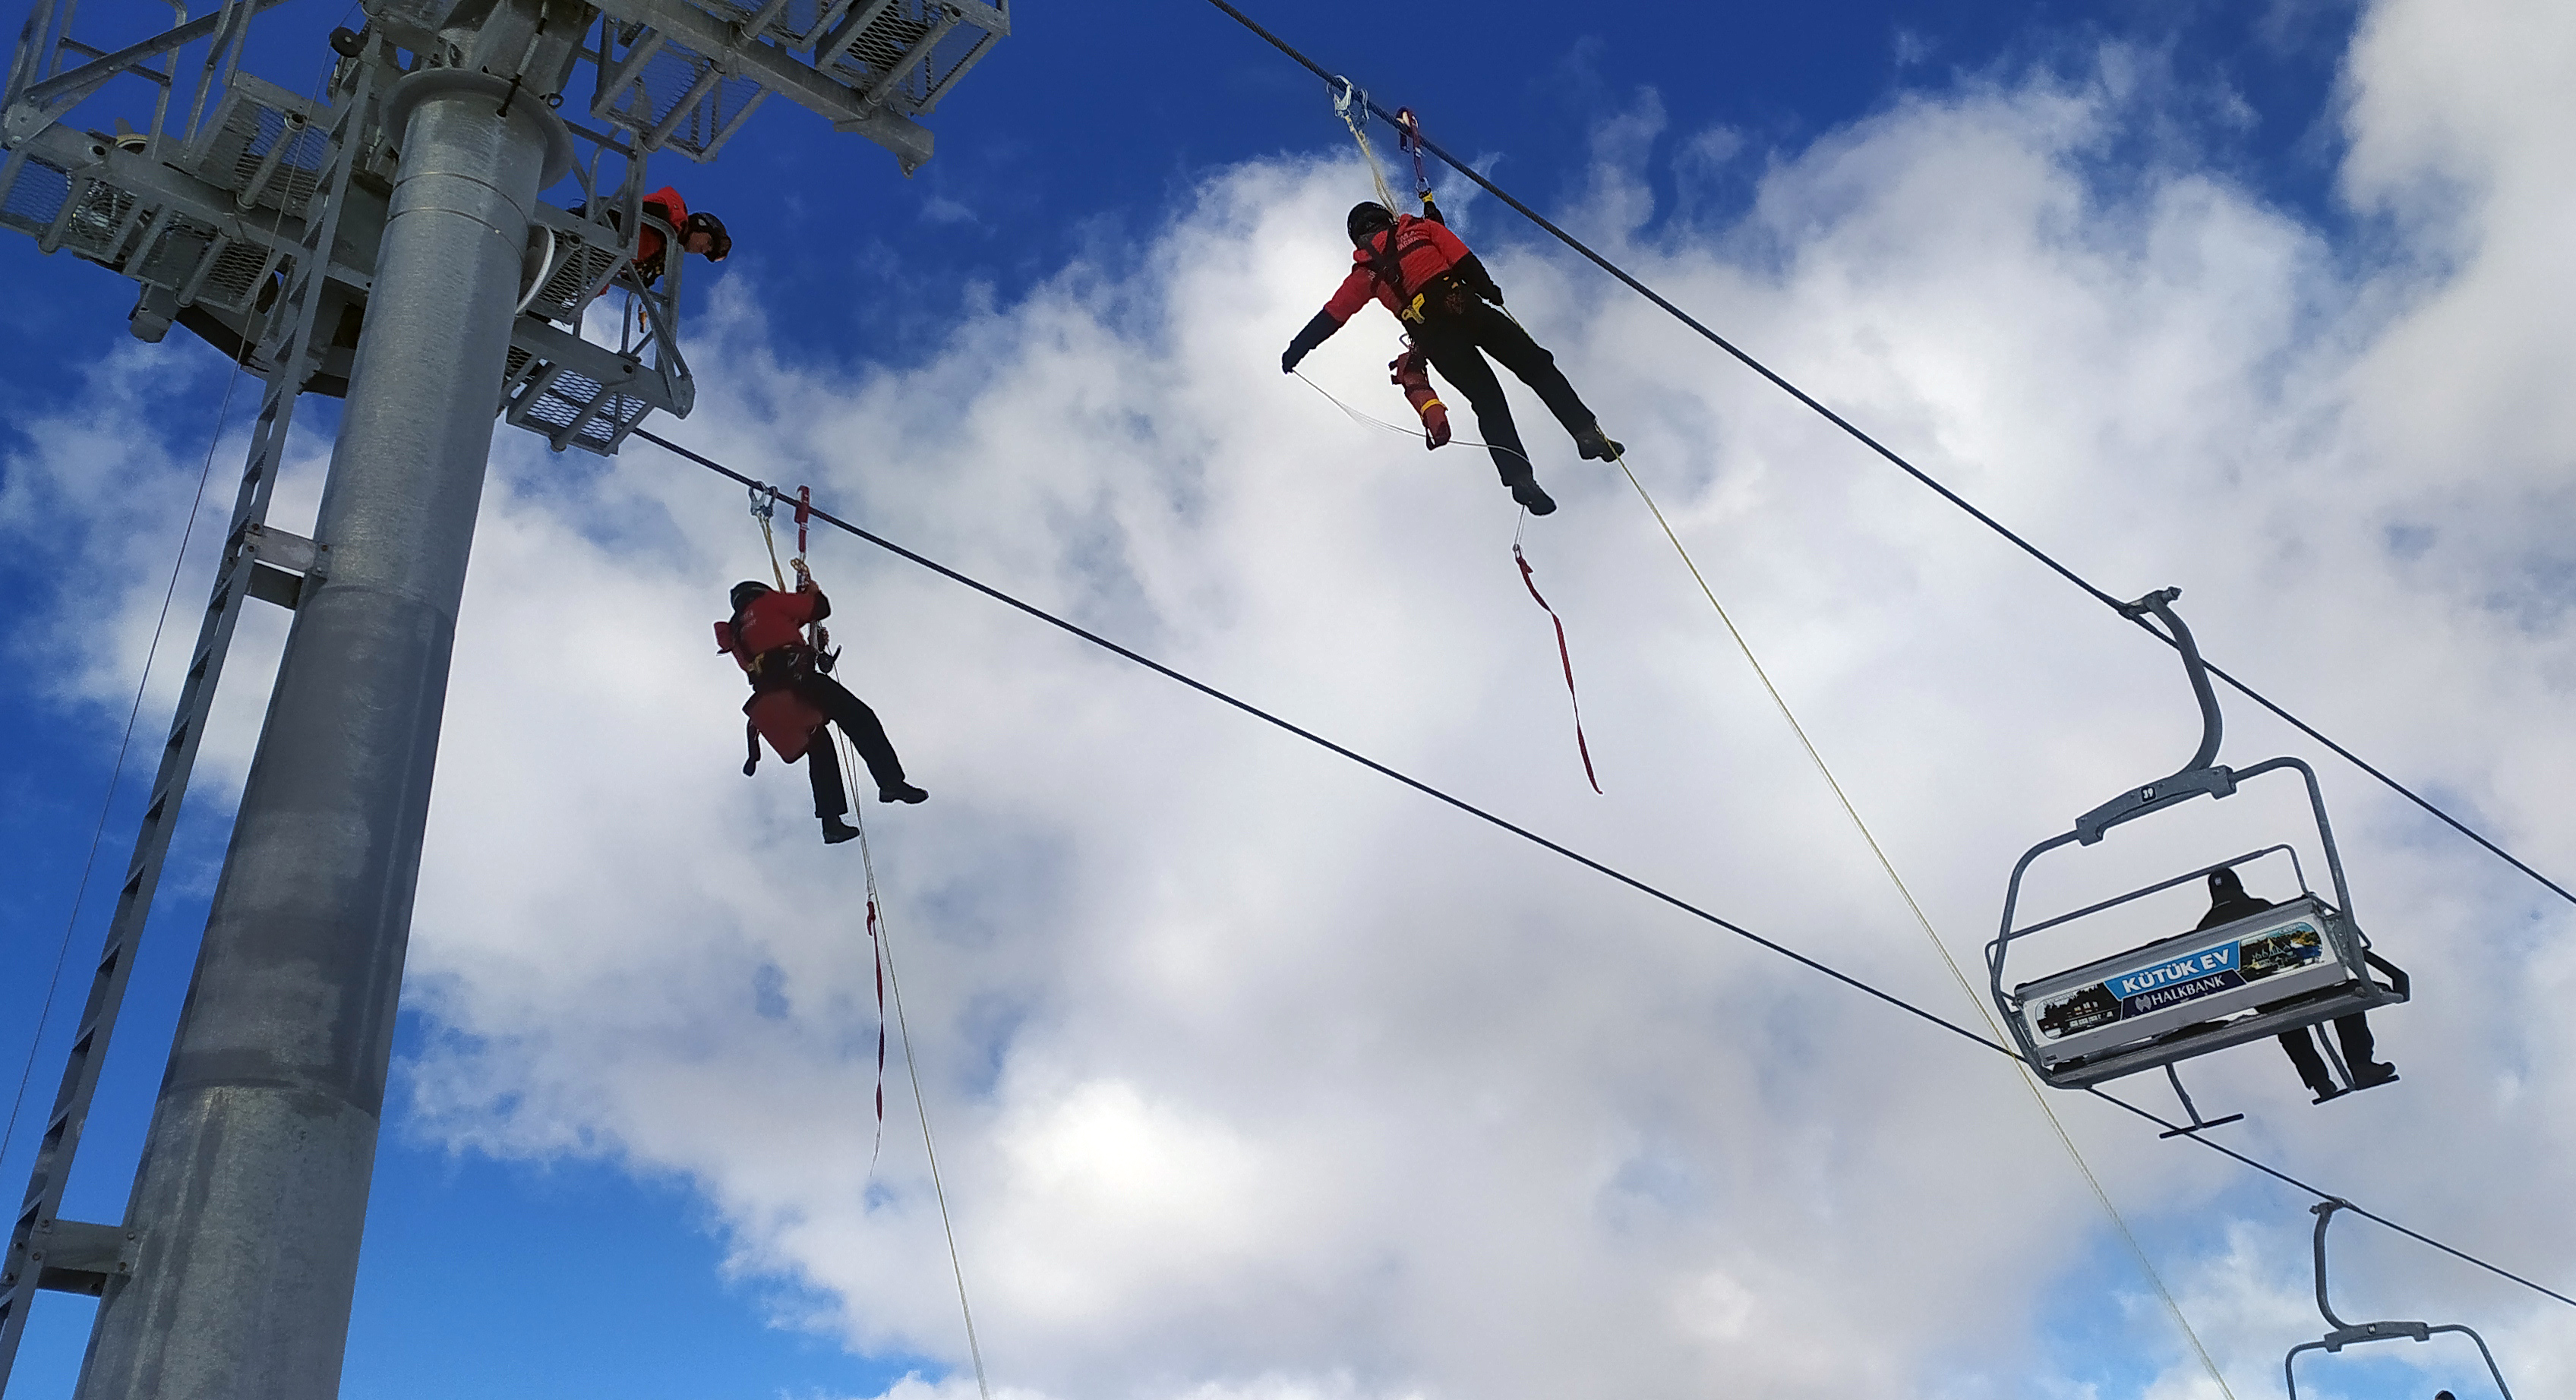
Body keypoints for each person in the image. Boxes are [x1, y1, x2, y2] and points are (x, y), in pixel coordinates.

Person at [1280, 198, 1622, 516]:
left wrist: (1296, 351)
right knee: (1537, 367)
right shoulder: (1422, 229)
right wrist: (1489, 290)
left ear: (1358, 238)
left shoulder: (1365, 273)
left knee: (1488, 401)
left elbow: (1331, 316)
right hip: (1466, 309)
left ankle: (1520, 478)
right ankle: (1586, 433)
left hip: (1435, 338)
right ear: (1386, 217)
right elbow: (1462, 259)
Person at [718, 575, 926, 846]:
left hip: (773, 697)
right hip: (800, 679)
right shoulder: (768, 603)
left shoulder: (737, 631)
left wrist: (808, 630)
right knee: (859, 718)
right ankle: (891, 782)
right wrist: (812, 593)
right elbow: (820, 608)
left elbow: (778, 631)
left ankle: (831, 823)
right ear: (760, 592)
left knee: (820, 751)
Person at [2199, 866, 2396, 1102]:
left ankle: (2319, 1081)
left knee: (2283, 1017)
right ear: (2239, 886)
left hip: (2265, 1001)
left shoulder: (2204, 929)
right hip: (2304, 986)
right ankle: (2361, 1064)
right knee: (2347, 994)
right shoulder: (2261, 908)